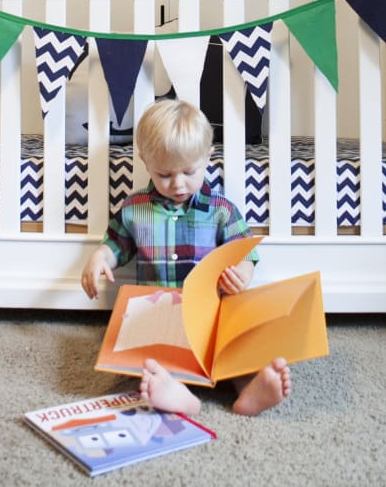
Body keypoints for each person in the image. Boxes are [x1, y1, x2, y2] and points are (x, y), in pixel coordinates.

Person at [81, 99, 291, 417]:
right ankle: (175, 392)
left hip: (209, 316)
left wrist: (242, 274)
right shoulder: (135, 208)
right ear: (145, 162)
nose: (178, 184)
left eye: (189, 172)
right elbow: (116, 243)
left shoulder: (221, 209)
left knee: (237, 348)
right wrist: (100, 257)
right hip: (159, 316)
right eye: (164, 174)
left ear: (206, 158)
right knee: (143, 361)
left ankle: (250, 388)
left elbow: (246, 250)